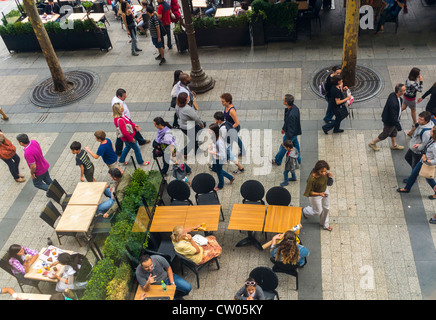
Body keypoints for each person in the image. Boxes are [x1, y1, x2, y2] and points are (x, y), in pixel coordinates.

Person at [397, 127, 436, 198]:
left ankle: (407, 188)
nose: (430, 131)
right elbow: (427, 145)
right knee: (414, 174)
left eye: (432, 131)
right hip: (422, 161)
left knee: (428, 178)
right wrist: (419, 145)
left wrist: (426, 160)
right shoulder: (432, 139)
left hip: (427, 164)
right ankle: (407, 188)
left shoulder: (435, 146)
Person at [111, 88, 150, 156]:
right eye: (124, 96)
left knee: (134, 129)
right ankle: (119, 152)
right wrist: (131, 139)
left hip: (126, 119)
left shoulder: (118, 99)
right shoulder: (117, 103)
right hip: (124, 120)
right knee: (121, 136)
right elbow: (124, 131)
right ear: (119, 96)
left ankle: (141, 141)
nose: (125, 97)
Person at [368, 83, 406, 151]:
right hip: (390, 121)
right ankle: (373, 143)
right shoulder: (393, 103)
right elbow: (393, 117)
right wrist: (399, 126)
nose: (405, 91)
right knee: (385, 134)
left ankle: (394, 145)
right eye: (404, 90)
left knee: (394, 132)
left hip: (392, 120)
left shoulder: (392, 95)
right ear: (399, 92)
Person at [302, 160, 333, 232]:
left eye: (325, 171)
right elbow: (308, 192)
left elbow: (329, 184)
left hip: (325, 191)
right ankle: (305, 211)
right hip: (315, 196)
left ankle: (325, 224)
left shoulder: (325, 174)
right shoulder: (312, 178)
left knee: (326, 208)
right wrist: (320, 194)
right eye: (321, 171)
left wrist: (330, 178)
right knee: (318, 212)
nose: (323, 173)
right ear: (317, 170)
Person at [271, 94, 302, 165]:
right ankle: (298, 160)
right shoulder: (295, 108)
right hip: (294, 133)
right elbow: (287, 122)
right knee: (296, 146)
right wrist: (283, 128)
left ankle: (277, 161)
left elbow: (290, 127)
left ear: (286, 103)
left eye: (284, 99)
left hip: (290, 134)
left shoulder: (291, 115)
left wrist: (286, 141)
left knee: (283, 147)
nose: (282, 100)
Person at [176, 92, 204, 156]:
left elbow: (177, 115)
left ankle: (197, 151)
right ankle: (183, 152)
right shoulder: (187, 109)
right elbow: (196, 118)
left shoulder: (177, 106)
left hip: (183, 126)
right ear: (185, 100)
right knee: (193, 141)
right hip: (189, 127)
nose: (188, 97)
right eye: (187, 97)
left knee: (194, 138)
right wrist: (201, 123)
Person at [208, 123, 235, 190]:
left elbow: (222, 154)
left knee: (219, 172)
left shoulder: (219, 141)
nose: (208, 132)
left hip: (219, 159)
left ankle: (220, 185)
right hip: (216, 158)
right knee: (215, 169)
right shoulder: (215, 137)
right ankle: (230, 177)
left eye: (210, 131)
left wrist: (213, 152)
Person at [221, 93, 245, 157]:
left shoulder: (232, 111)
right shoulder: (226, 107)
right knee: (236, 139)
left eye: (223, 102)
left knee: (230, 141)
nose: (222, 103)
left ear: (228, 102)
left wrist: (229, 130)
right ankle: (243, 151)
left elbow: (237, 123)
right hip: (229, 126)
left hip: (233, 128)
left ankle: (228, 155)